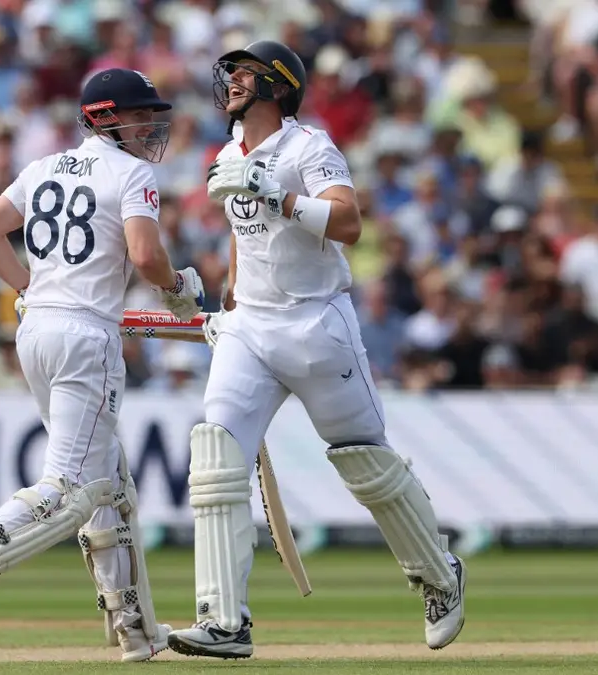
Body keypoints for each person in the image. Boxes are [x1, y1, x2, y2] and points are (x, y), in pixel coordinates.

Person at [166, 41, 467, 660]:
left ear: (277, 86)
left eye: (247, 73)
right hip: (251, 325)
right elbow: (240, 236)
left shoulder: (310, 147)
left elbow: (349, 223)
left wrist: (277, 194)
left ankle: (439, 574)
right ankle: (225, 622)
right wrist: (228, 304)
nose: (234, 82)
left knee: (364, 461)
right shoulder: (227, 153)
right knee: (217, 456)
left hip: (315, 321)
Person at [0, 68, 204, 663]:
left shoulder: (42, 168)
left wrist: (28, 287)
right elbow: (145, 254)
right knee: (75, 488)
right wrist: (179, 288)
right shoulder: (133, 173)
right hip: (87, 338)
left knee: (110, 484)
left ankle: (135, 629)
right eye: (139, 115)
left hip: (36, 333)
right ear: (105, 117)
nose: (150, 125)